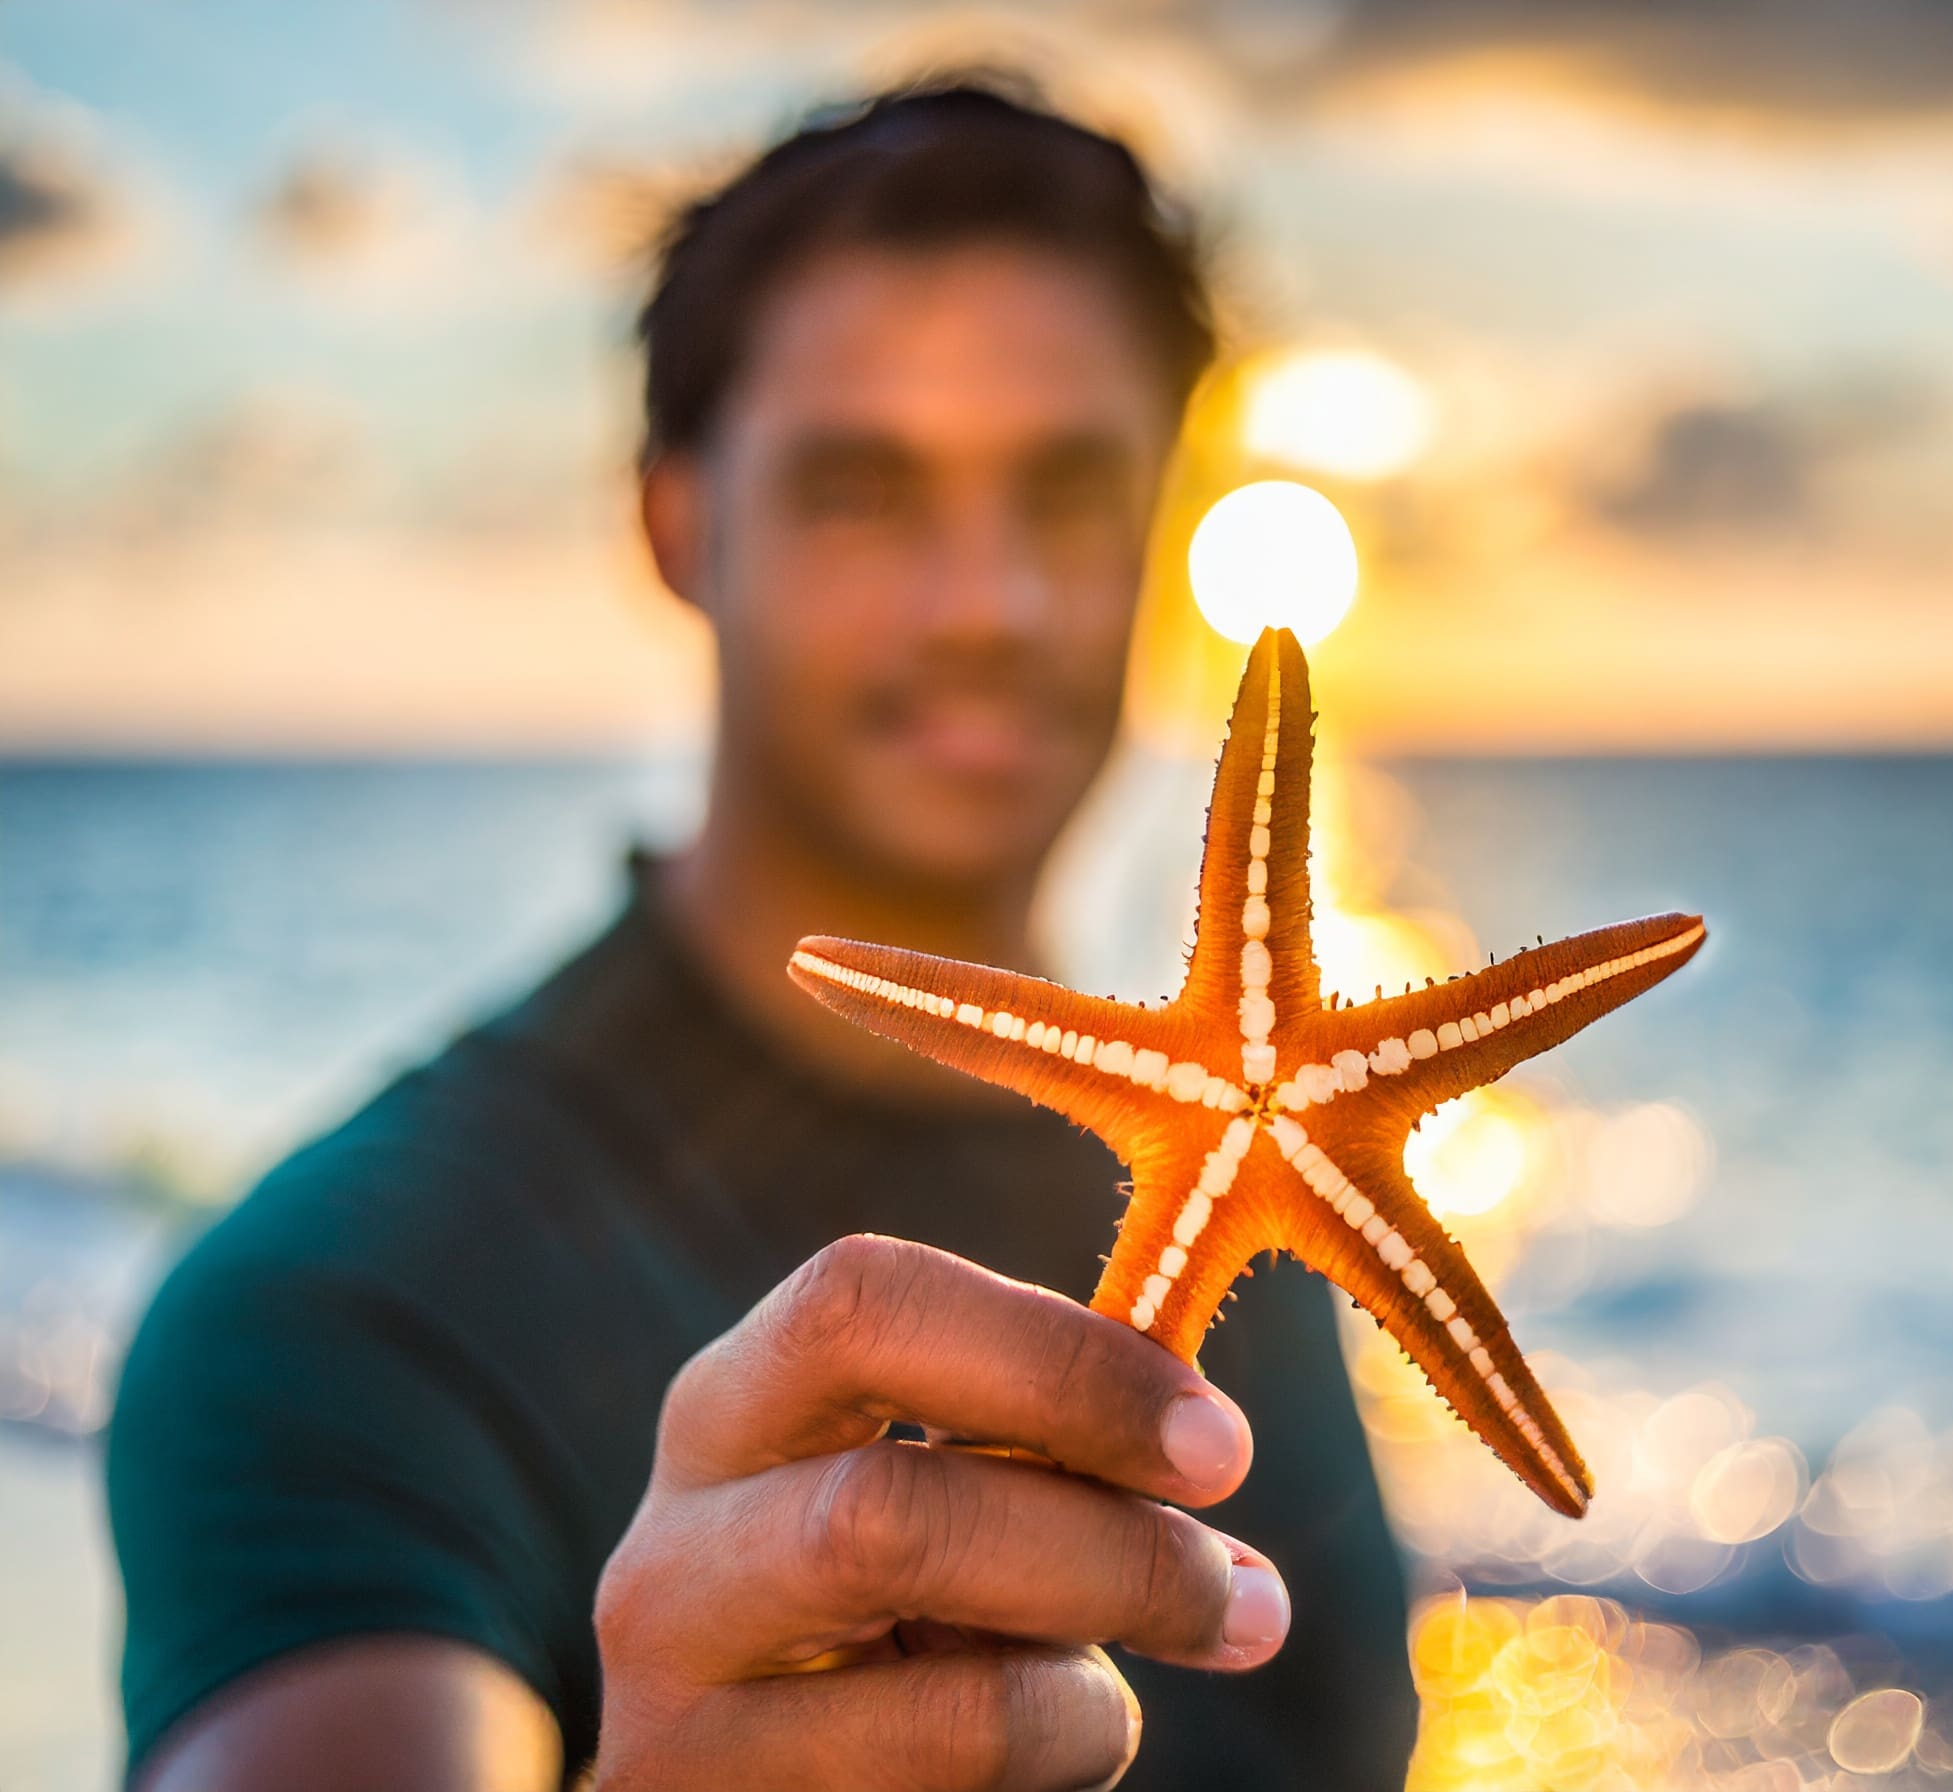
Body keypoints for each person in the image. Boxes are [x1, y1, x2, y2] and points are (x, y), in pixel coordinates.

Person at [107, 76, 1418, 1791]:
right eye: (864, 491)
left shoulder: (1252, 1176)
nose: (987, 603)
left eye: (1072, 491)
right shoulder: (332, 1312)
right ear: (678, 525)